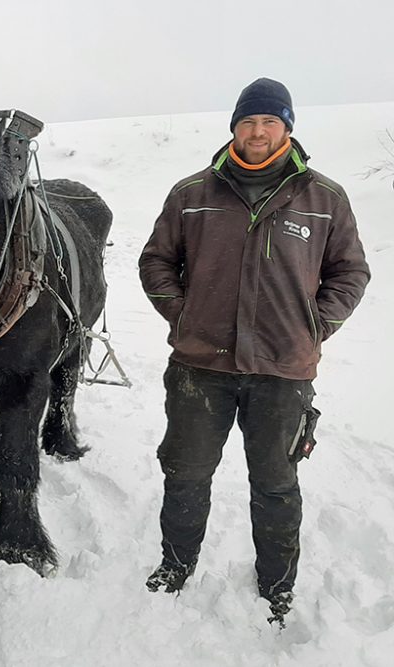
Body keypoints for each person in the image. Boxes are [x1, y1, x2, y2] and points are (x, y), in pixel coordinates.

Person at [138, 78, 370, 625]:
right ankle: (175, 566)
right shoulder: (191, 194)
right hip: (201, 366)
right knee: (186, 475)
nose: (258, 132)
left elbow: (350, 272)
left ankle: (277, 585)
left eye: (270, 122)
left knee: (275, 483)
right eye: (249, 122)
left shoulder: (324, 197)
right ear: (234, 128)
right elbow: (155, 262)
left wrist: (316, 326)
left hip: (283, 370)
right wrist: (184, 314)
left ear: (287, 128)